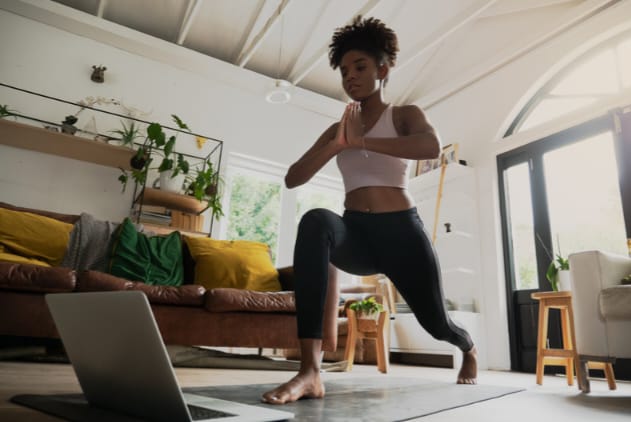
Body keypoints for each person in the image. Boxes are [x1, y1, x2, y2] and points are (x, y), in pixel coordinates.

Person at [262, 16, 477, 405]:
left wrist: (363, 140)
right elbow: (294, 178)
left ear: (383, 69)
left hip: (402, 234)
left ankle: (468, 348)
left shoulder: (404, 114)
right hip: (356, 232)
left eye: (360, 67)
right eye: (344, 71)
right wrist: (337, 144)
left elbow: (430, 148)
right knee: (315, 221)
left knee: (436, 323)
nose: (350, 77)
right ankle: (310, 372)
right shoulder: (339, 128)